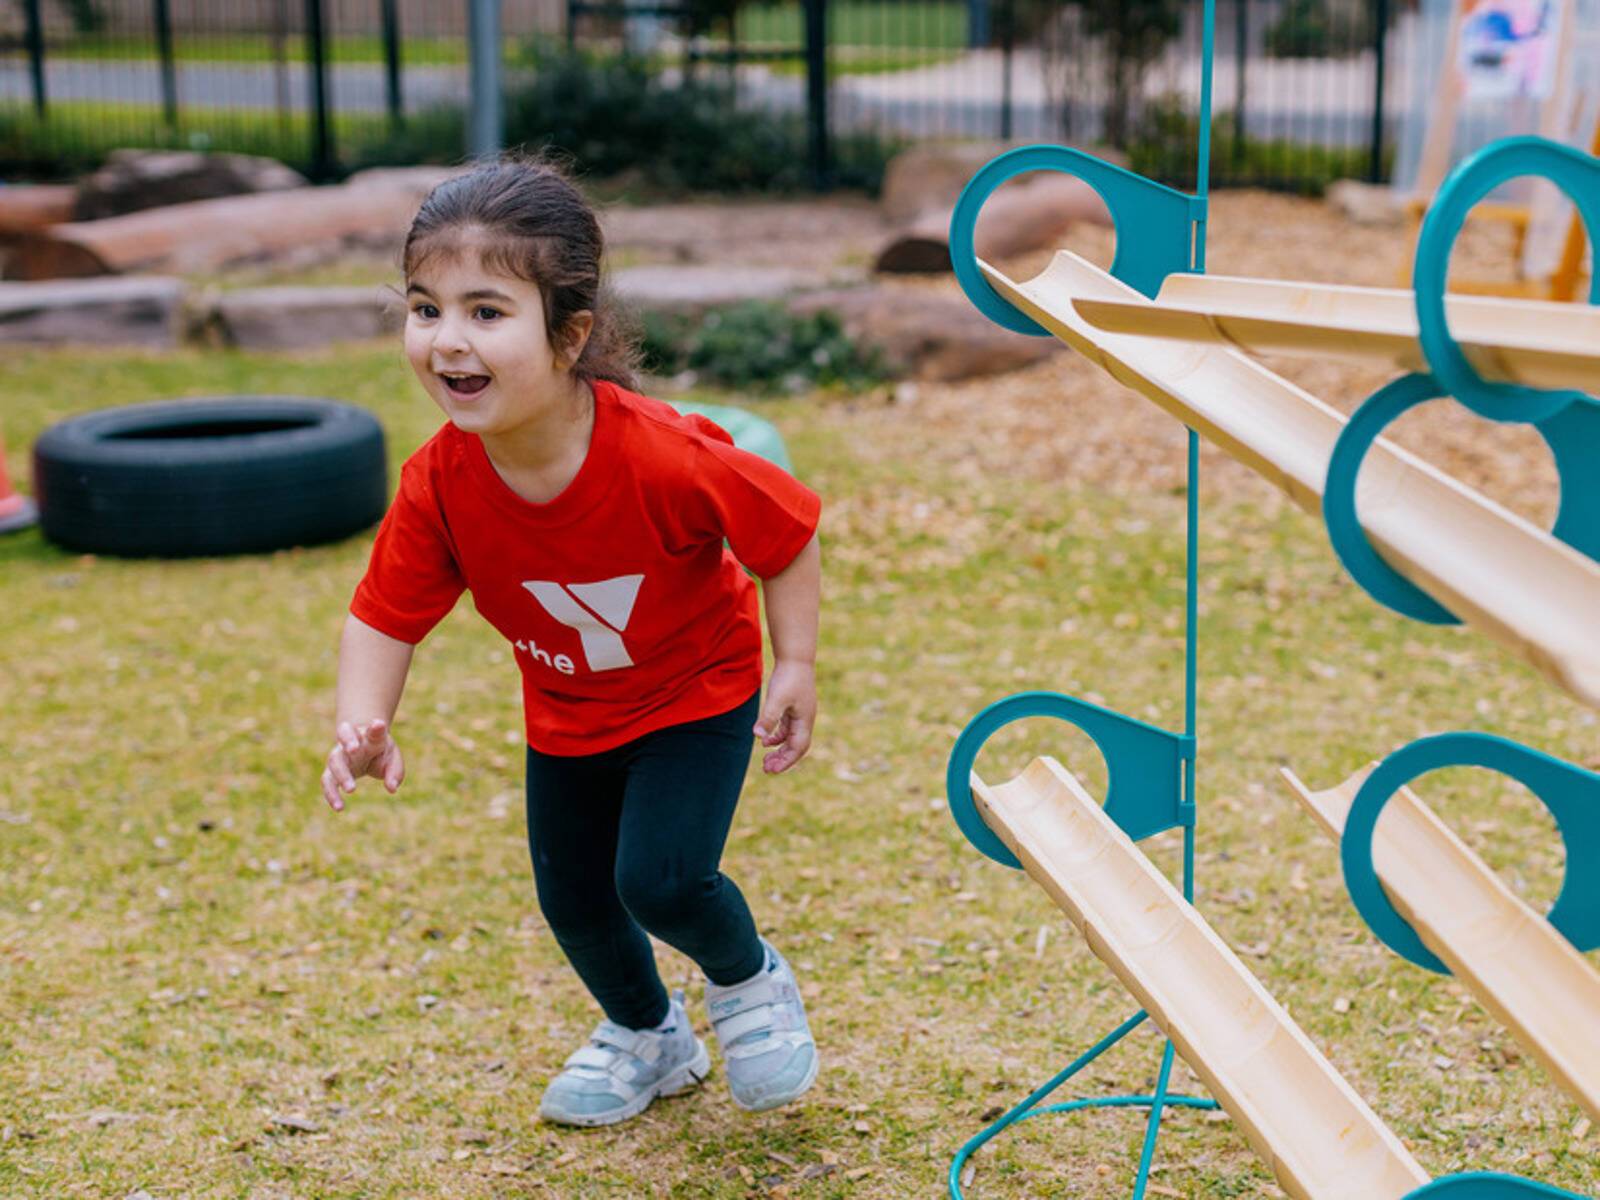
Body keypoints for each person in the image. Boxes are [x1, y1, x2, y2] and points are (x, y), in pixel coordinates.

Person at [317, 156, 822, 1128]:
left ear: (569, 333)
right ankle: (649, 1036)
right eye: (425, 309)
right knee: (578, 901)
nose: (446, 340)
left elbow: (786, 534)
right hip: (568, 715)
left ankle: (749, 980)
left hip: (695, 691)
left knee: (661, 880)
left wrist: (793, 663)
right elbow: (384, 612)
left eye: (486, 311)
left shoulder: (664, 455)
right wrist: (363, 720)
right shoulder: (440, 482)